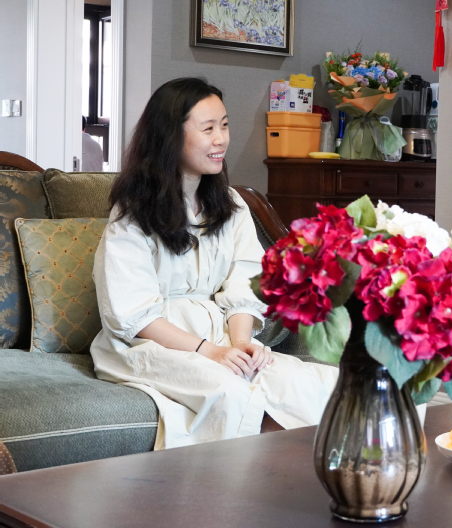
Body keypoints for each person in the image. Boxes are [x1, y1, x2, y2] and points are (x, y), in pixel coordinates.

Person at [91, 77, 338, 450]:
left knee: (312, 384)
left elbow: (245, 286)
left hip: (222, 337)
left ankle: (302, 478)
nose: (221, 139)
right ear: (170, 136)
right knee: (231, 393)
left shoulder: (233, 206)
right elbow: (135, 315)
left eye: (224, 125)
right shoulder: (132, 214)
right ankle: (225, 485)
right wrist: (210, 352)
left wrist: (241, 344)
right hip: (145, 346)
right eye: (208, 129)